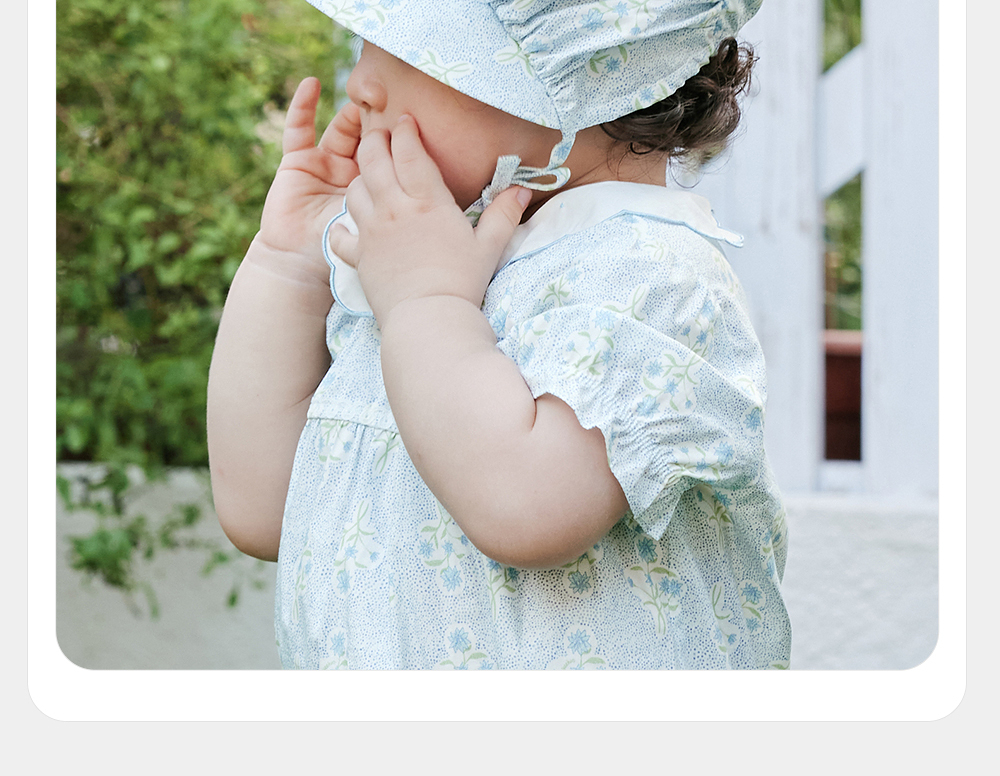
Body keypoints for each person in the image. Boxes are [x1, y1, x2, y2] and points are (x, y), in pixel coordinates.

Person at [208, 0, 791, 669]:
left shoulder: (651, 277)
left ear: (589, 78)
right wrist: (287, 261)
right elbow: (262, 510)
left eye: (412, 53)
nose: (361, 84)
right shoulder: (416, 260)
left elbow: (524, 509)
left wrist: (427, 300)